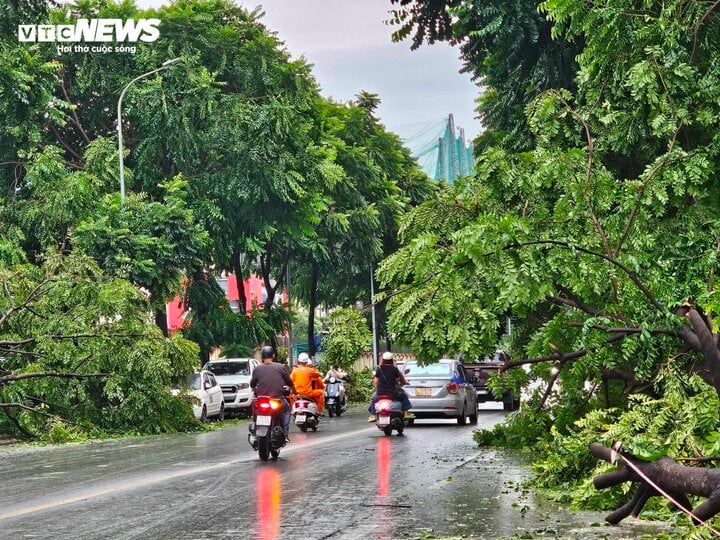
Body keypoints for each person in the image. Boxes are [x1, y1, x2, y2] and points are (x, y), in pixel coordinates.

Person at [250, 345, 295, 442]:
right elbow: (289, 382)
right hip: (277, 399)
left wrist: (255, 391)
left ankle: (254, 430)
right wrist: (293, 390)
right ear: (273, 355)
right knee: (287, 410)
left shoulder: (257, 369)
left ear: (262, 356)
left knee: (255, 410)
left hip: (262, 399)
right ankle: (285, 434)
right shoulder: (280, 367)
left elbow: (252, 384)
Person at [368, 351, 411, 421]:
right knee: (404, 395)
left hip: (380, 394)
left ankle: (373, 415)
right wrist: (405, 382)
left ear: (383, 360)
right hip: (393, 393)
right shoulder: (394, 369)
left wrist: (377, 389)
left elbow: (375, 381)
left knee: (373, 399)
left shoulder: (379, 369)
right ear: (391, 360)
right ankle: (406, 414)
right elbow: (402, 379)